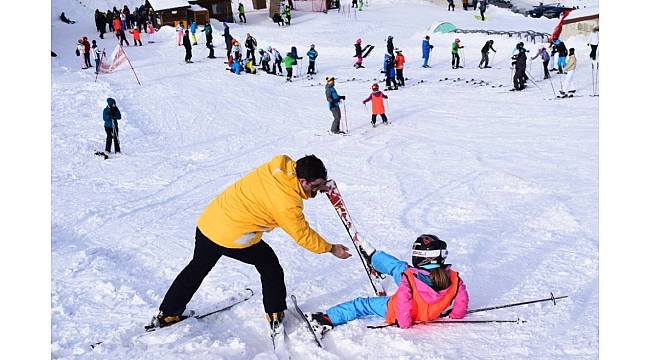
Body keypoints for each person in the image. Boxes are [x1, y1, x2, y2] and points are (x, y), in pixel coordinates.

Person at [150, 155, 352, 340]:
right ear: (303, 181)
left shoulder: (280, 164)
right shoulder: (287, 202)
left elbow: (297, 186)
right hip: (231, 234)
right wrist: (331, 248)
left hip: (210, 221)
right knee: (269, 264)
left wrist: (319, 186)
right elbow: (303, 234)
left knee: (197, 268)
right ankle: (275, 312)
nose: (316, 190)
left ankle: (168, 313)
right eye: (315, 186)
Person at [303, 235, 468, 334]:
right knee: (401, 268)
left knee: (362, 305)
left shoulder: (409, 279)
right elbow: (462, 300)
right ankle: (374, 258)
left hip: (397, 311)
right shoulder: (454, 278)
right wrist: (455, 315)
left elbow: (403, 303)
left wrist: (404, 323)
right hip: (430, 309)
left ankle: (327, 319)